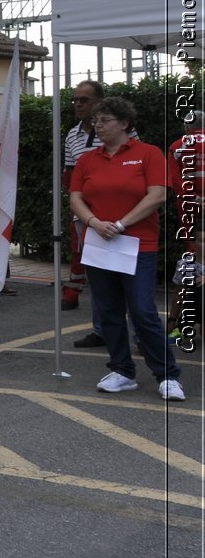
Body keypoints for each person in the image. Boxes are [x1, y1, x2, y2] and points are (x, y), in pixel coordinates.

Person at [69, 96, 185, 401]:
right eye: (96, 121)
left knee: (142, 310)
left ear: (125, 123)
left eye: (105, 120)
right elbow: (76, 198)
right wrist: (94, 222)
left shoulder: (148, 154)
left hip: (136, 244)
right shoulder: (88, 159)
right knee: (108, 311)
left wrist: (120, 224)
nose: (98, 126)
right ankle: (121, 370)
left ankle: (167, 375)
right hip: (99, 243)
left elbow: (158, 195)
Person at [61, 80, 103, 328]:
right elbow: (69, 173)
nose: (78, 104)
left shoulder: (119, 130)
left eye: (84, 100)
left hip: (113, 208)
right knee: (79, 250)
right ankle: (74, 290)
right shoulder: (72, 135)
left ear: (99, 102)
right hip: (83, 207)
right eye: (75, 99)